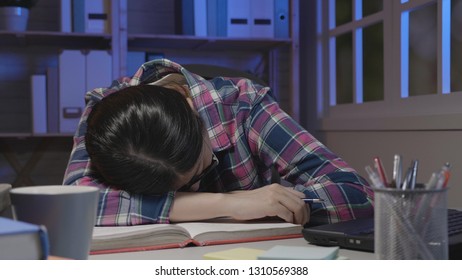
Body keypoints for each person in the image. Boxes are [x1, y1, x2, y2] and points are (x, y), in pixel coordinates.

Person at [63, 58, 374, 226]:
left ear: (191, 109)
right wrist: (228, 203)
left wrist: (284, 202)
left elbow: (356, 191)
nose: (193, 190)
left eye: (198, 173)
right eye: (173, 192)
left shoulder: (244, 106)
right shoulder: (105, 115)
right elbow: (72, 204)